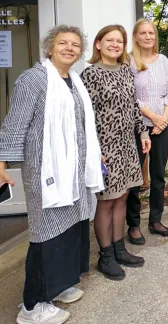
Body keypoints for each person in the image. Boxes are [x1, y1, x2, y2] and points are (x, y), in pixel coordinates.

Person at [0, 25, 102, 324]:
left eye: (74, 44)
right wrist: (2, 164)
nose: (69, 48)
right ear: (50, 47)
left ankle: (59, 286)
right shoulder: (33, 80)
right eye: (62, 43)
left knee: (71, 230)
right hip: (47, 172)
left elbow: (81, 126)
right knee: (46, 235)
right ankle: (32, 307)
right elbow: (14, 125)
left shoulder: (72, 81)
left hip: (74, 172)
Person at [81, 25, 150, 280]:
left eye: (119, 41)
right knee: (106, 201)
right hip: (105, 149)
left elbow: (133, 107)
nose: (114, 44)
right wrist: (93, 150)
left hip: (127, 146)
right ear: (98, 44)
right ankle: (106, 256)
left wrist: (143, 133)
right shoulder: (90, 75)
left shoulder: (124, 71)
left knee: (122, 197)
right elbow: (84, 117)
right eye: (109, 40)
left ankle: (119, 248)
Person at [126, 18, 168, 242]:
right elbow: (131, 97)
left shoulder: (163, 60)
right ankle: (133, 224)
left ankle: (155, 220)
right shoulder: (129, 61)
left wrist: (163, 119)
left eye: (151, 33)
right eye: (143, 33)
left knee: (158, 175)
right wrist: (153, 117)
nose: (148, 37)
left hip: (161, 126)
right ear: (136, 36)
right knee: (136, 176)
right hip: (138, 125)